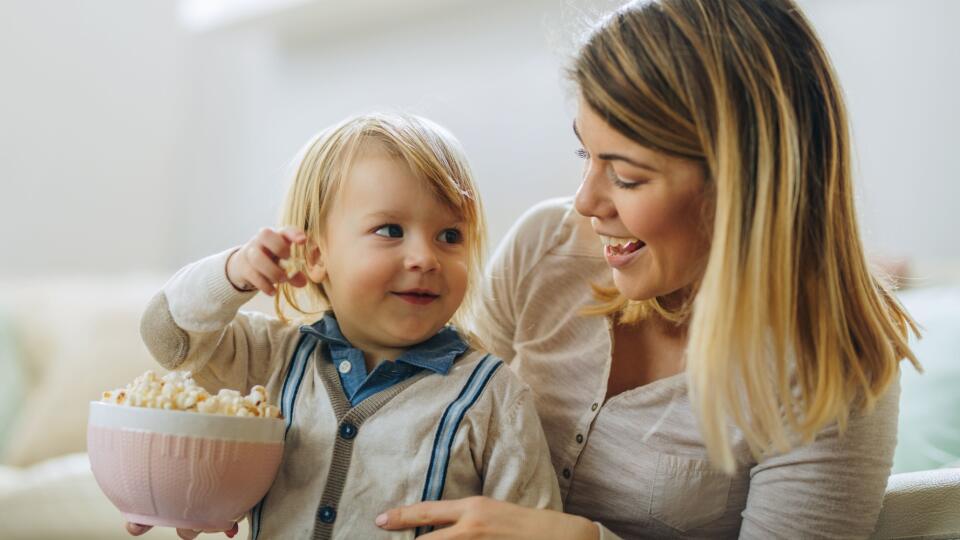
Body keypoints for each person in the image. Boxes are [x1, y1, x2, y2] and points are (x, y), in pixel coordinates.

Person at [375, 1, 919, 538]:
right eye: (584, 154)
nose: (586, 203)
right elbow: (423, 404)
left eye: (628, 177)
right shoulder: (547, 244)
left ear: (745, 185)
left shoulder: (832, 369)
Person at [127, 112, 561, 540]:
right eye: (391, 230)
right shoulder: (271, 357)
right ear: (315, 256)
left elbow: (534, 527)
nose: (425, 258)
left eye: (449, 236)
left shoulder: (495, 397)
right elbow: (168, 335)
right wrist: (233, 271)